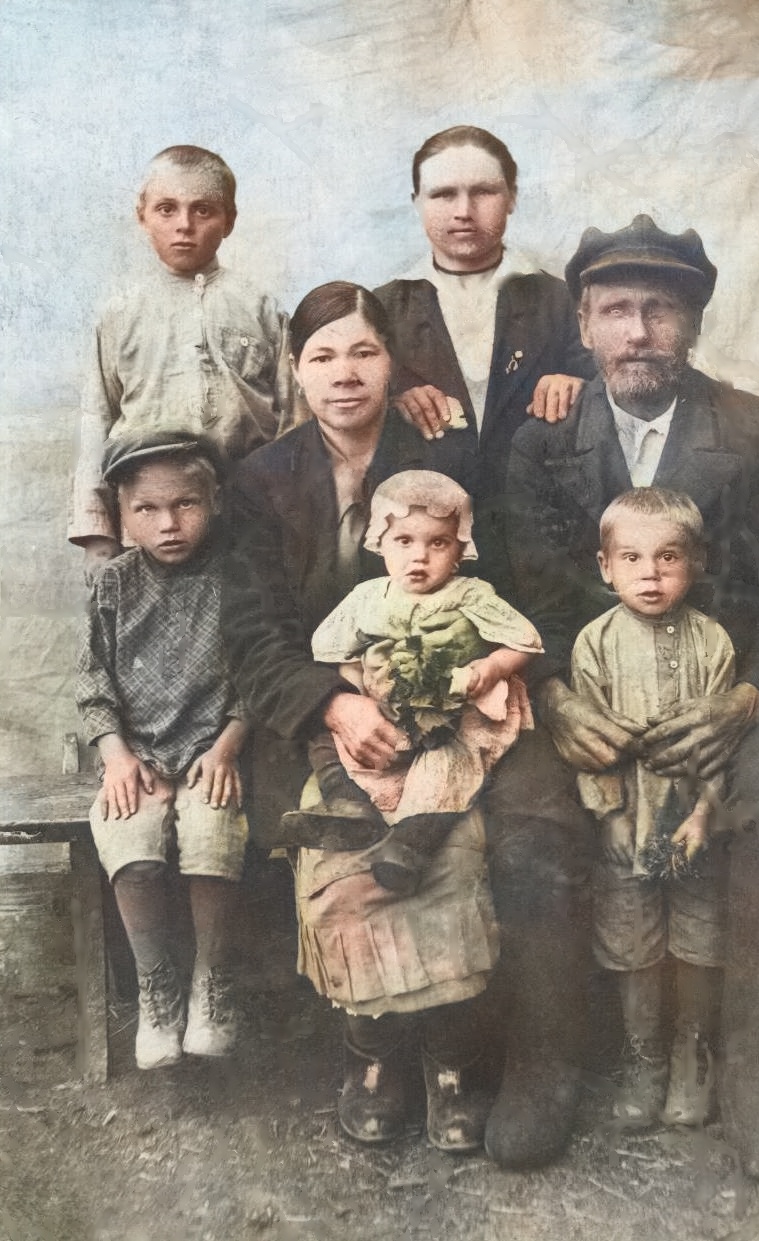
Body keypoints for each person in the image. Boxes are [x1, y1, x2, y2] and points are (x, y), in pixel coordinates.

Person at [223, 281, 593, 1167]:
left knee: (497, 827)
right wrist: (336, 703)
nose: (345, 373)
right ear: (295, 369)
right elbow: (252, 634)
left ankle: (463, 1053)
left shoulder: (447, 453)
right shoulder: (262, 480)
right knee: (346, 840)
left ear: (395, 362)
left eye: (364, 352)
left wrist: (475, 680)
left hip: (457, 701)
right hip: (321, 711)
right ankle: (377, 1049)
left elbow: (516, 589)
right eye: (323, 356)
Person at [506, 214, 759, 1181]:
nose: (639, 331)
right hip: (588, 702)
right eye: (616, 309)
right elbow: (522, 598)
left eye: (661, 309)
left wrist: (747, 700)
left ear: (693, 324)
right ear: (583, 323)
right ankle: (546, 1061)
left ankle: (755, 1071)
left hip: (724, 697)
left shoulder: (750, 428)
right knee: (525, 803)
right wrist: (554, 697)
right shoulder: (543, 439)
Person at [75, 432, 249, 1070]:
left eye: (185, 504)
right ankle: (158, 989)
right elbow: (93, 681)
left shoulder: (237, 576)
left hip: (213, 752)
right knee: (130, 837)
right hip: (139, 754)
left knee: (211, 835)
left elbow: (259, 674)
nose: (168, 524)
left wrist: (228, 745)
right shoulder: (114, 584)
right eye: (146, 509)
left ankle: (211, 983)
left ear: (214, 501)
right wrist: (116, 755)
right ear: (122, 516)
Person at [563, 487, 734, 1130]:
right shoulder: (595, 644)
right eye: (632, 558)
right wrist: (609, 814)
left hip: (689, 823)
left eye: (668, 557)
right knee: (633, 943)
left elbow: (719, 747)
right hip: (629, 822)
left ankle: (693, 1051)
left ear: (696, 562)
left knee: (697, 938)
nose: (651, 574)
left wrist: (703, 815)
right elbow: (591, 747)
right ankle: (646, 1058)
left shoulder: (712, 642)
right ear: (605, 567)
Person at [294, 468, 542, 896]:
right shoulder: (369, 597)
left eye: (438, 543)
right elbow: (336, 651)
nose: (420, 557)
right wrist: (357, 688)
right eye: (404, 541)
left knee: (448, 763)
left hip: (452, 709)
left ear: (460, 548)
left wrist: (492, 667)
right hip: (386, 708)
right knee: (326, 735)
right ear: (380, 541)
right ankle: (348, 807)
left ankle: (412, 842)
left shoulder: (469, 594)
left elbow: (524, 641)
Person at [374, 125, 596, 583]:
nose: (463, 211)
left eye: (483, 192)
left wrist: (581, 386)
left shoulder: (561, 301)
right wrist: (391, 403)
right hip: (424, 550)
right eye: (443, 194)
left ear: (511, 197)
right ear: (416, 202)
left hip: (541, 542)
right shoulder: (382, 309)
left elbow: (621, 397)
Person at [69, 144, 297, 582]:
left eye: (203, 210)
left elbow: (293, 419)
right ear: (142, 215)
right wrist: (98, 533)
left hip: (246, 517)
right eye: (166, 209)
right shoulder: (121, 313)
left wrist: (289, 516)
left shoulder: (261, 308)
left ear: (229, 219)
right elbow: (97, 418)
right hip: (149, 521)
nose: (184, 226)